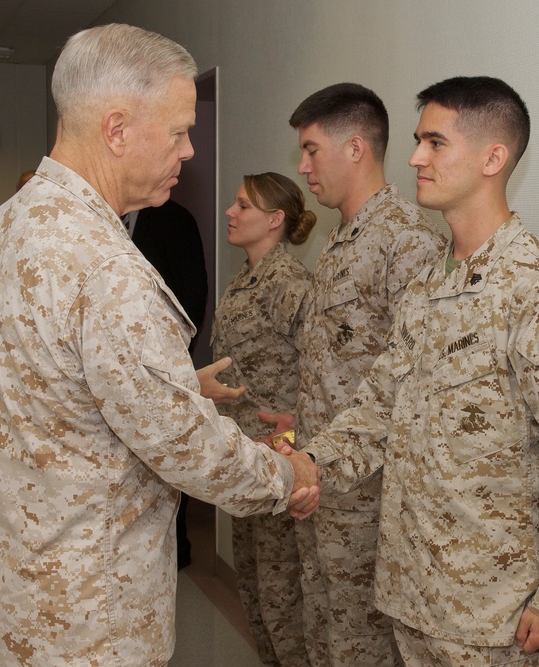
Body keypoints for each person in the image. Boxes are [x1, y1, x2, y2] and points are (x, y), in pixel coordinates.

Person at [0, 24, 319, 667]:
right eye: (177, 130)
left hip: (20, 589)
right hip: (97, 613)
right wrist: (289, 476)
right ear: (117, 130)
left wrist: (171, 384)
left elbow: (13, 384)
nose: (191, 149)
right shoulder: (106, 268)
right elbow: (188, 448)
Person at [283, 76, 539, 666]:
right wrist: (312, 463)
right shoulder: (426, 289)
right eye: (417, 141)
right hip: (411, 592)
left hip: (491, 613)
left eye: (435, 143)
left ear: (494, 157)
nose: (415, 157)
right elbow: (377, 407)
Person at [270, 82, 445, 667]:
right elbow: (340, 364)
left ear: (355, 148)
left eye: (312, 150)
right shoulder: (340, 240)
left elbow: (415, 385)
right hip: (322, 481)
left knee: (362, 647)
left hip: (370, 501)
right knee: (323, 631)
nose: (302, 167)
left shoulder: (407, 240)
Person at [214, 172, 316, 666]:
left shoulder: (289, 282)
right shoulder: (242, 280)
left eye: (243, 206)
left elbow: (321, 369)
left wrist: (297, 431)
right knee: (253, 584)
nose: (230, 213)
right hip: (245, 457)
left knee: (281, 595)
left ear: (274, 220)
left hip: (279, 459)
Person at [123, 197, 209, 569]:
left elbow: (191, 292)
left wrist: (170, 355)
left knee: (170, 450)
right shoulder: (106, 217)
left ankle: (175, 546)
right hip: (119, 366)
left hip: (161, 360)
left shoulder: (174, 219)